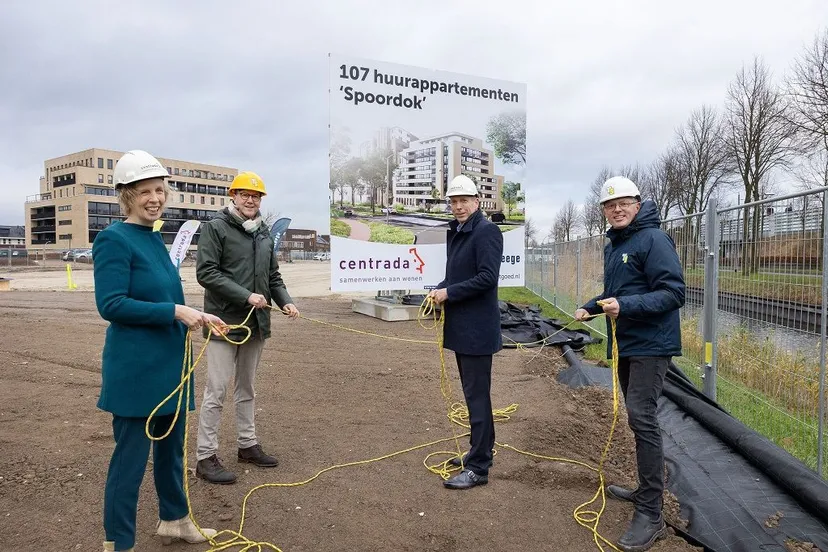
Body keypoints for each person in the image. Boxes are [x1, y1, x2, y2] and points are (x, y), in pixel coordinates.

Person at [93, 150, 225, 552]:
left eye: (160, 190)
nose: (155, 198)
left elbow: (168, 300)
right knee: (129, 464)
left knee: (171, 454)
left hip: (171, 367)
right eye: (145, 191)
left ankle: (175, 520)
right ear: (126, 195)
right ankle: (118, 542)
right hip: (136, 372)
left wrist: (198, 316)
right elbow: (111, 305)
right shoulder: (112, 239)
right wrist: (175, 311)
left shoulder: (155, 240)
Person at [574, 176, 685, 552]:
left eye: (624, 203)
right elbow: (616, 294)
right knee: (637, 418)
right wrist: (592, 307)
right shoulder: (618, 244)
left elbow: (673, 293)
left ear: (638, 204)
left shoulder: (654, 239)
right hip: (628, 343)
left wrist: (626, 307)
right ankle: (645, 489)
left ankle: (652, 513)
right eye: (609, 205)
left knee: (642, 417)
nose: (617, 209)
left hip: (652, 345)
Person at [195, 171, 300, 485]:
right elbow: (206, 273)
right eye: (244, 194)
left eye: (256, 196)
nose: (250, 199)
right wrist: (246, 295)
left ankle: (247, 445)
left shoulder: (264, 234)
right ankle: (205, 456)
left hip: (256, 324)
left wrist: (285, 301)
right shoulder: (215, 228)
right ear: (233, 196)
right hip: (224, 324)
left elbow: (273, 277)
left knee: (247, 389)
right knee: (216, 390)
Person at [427, 174, 503, 490]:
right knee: (474, 395)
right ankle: (479, 450)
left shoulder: (486, 232)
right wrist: (439, 290)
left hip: (477, 330)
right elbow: (457, 276)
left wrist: (450, 293)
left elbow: (487, 277)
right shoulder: (460, 232)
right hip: (464, 328)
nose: (458, 206)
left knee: (476, 397)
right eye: (454, 202)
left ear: (476, 202)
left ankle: (479, 467)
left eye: (463, 201)